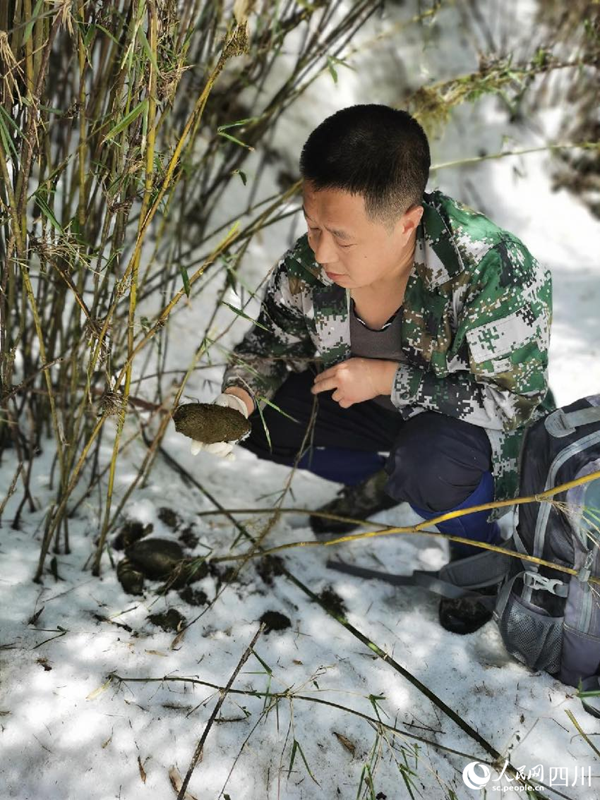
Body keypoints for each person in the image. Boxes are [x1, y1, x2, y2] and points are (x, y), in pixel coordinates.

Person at [192, 105, 553, 634]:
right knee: (263, 419)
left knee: (426, 463)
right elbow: (268, 346)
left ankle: (479, 552)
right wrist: (236, 400)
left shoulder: (490, 267)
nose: (321, 251)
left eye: (342, 237)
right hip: (375, 412)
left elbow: (513, 403)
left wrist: (387, 379)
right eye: (312, 226)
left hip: (474, 436)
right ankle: (384, 481)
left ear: (406, 223)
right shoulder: (309, 264)